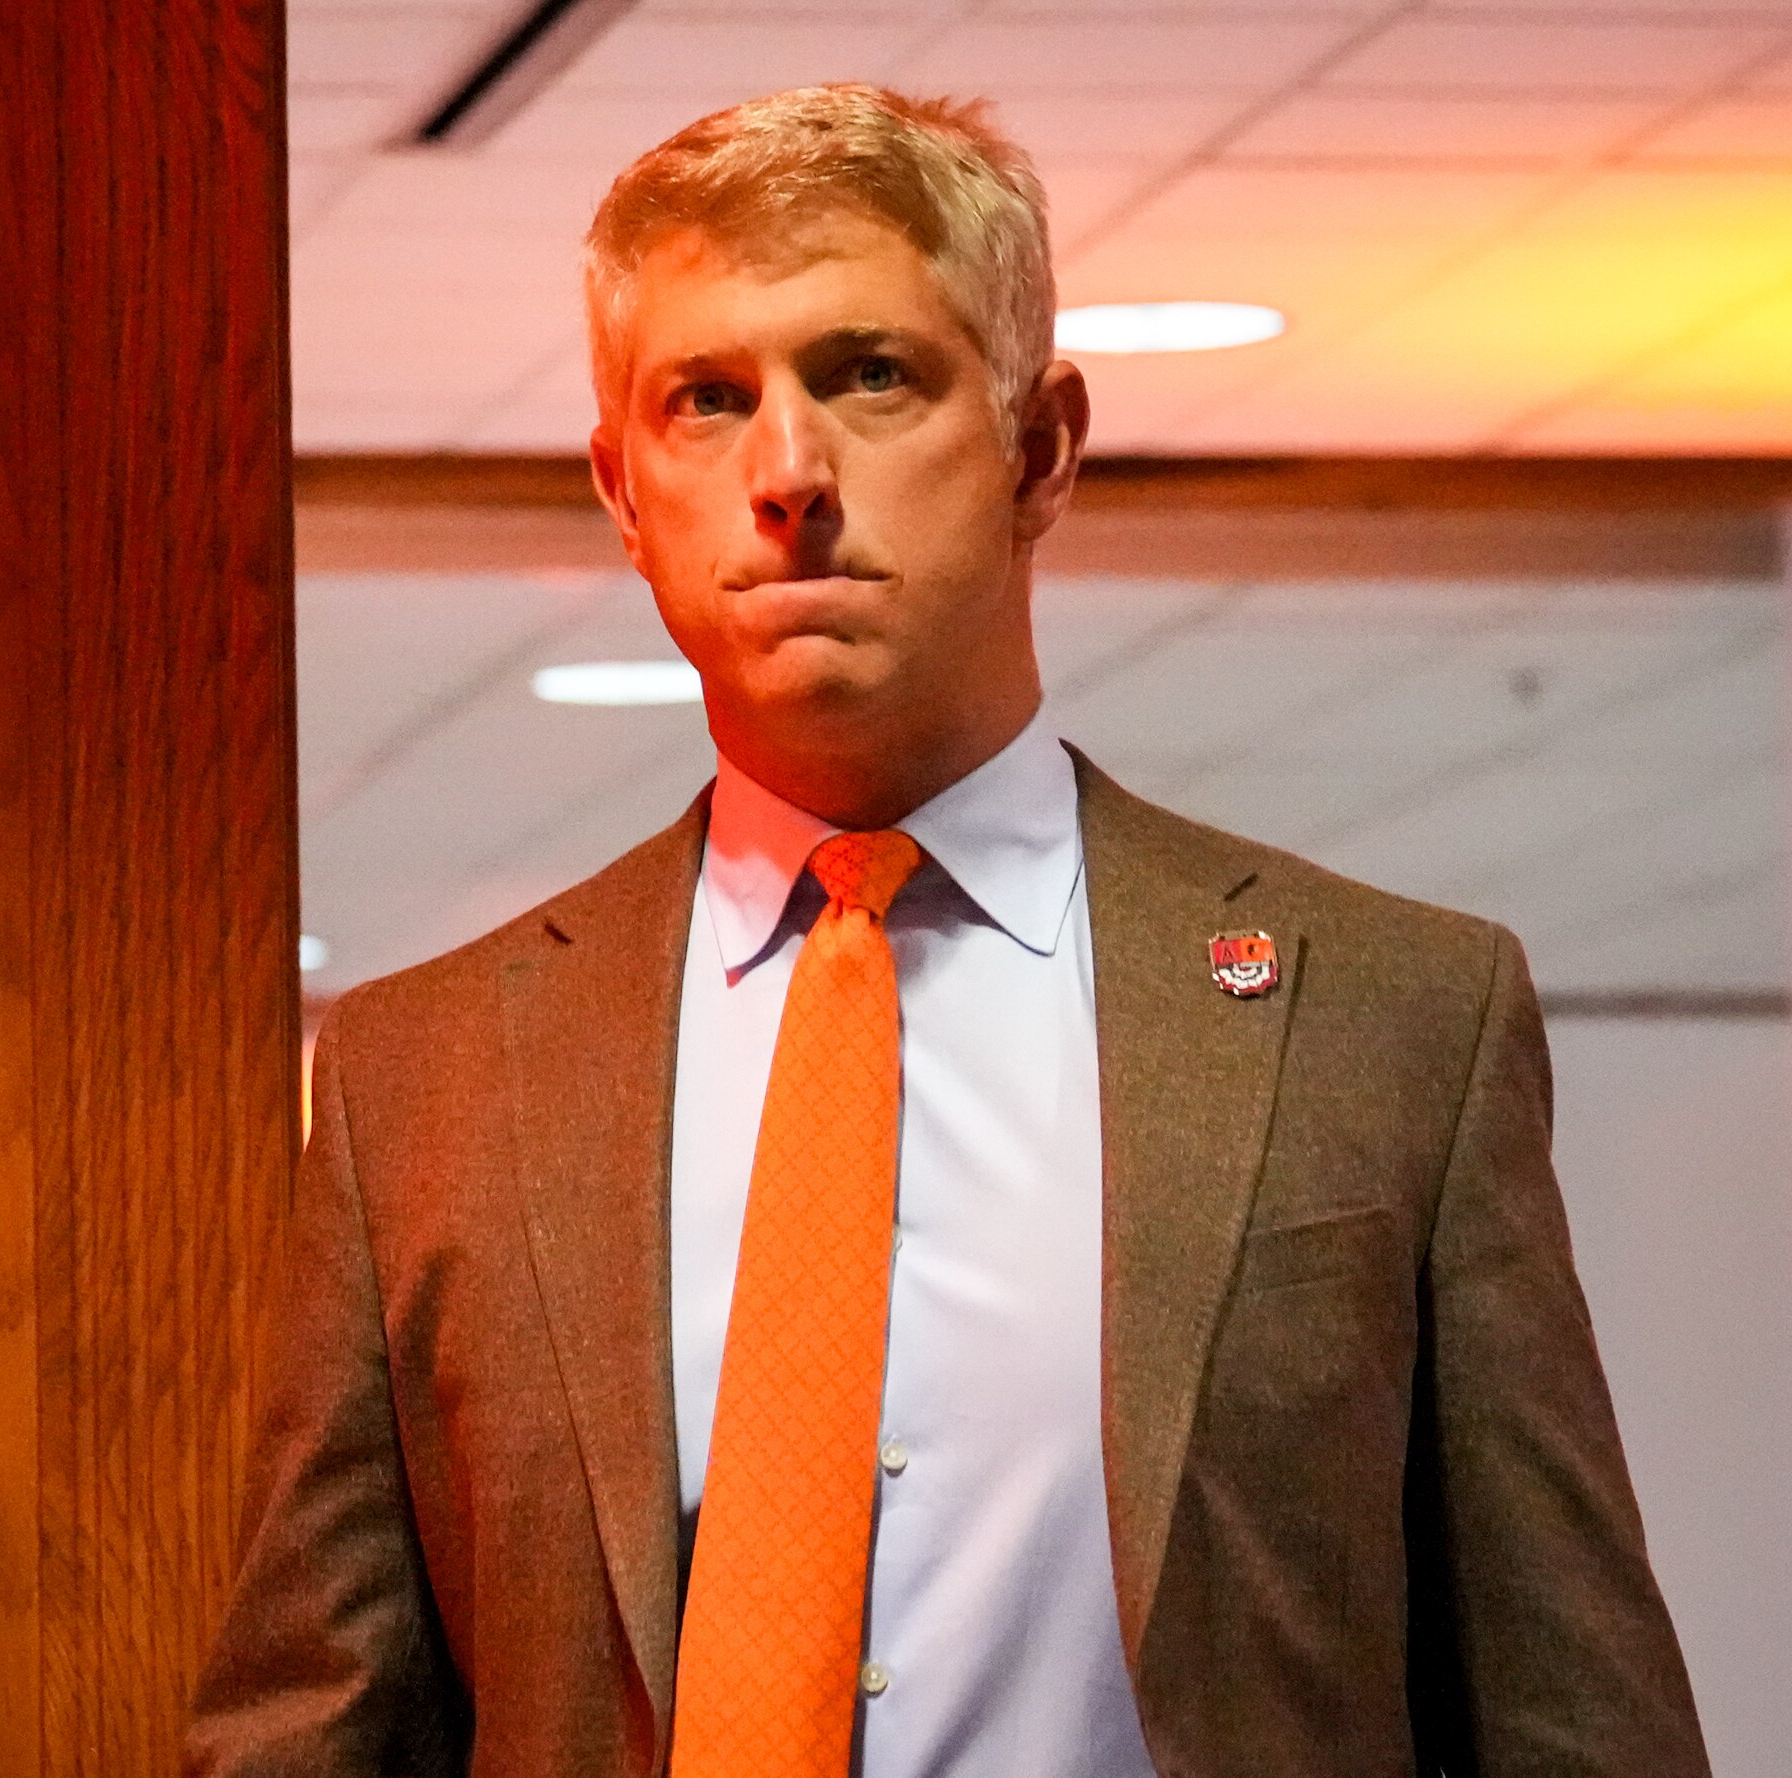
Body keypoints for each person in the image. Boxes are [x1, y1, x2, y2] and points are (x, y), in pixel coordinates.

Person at [186, 84, 1707, 1778]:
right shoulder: (426, 1076)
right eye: (708, 399)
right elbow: (311, 1730)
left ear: (1040, 442)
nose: (786, 473)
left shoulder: (1393, 1020)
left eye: (869, 374)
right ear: (623, 493)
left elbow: (1580, 1719)